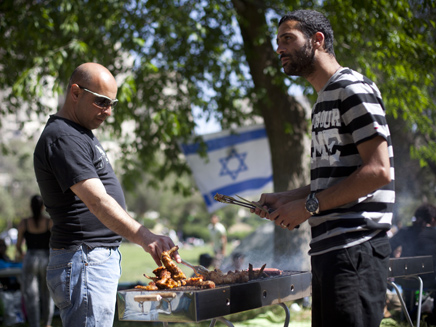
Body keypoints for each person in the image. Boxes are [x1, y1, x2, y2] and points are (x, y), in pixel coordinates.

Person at [252, 10, 395, 327]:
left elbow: (379, 171)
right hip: (331, 252)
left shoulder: (352, 89)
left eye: (288, 39)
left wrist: (306, 207)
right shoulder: (323, 100)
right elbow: (339, 176)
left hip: (356, 250)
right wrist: (287, 198)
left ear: (317, 40)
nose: (279, 49)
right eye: (278, 42)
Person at [33, 62, 180, 326]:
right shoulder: (63, 137)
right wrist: (146, 237)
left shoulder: (80, 134)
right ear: (75, 93)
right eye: (102, 102)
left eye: (112, 103)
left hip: (91, 259)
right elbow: (97, 201)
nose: (108, 111)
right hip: (84, 258)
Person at [16, 195, 54, 327]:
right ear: (43, 207)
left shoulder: (24, 222)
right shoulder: (49, 222)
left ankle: (35, 324)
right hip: (47, 258)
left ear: (30, 207)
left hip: (30, 258)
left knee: (31, 295)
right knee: (48, 293)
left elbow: (18, 246)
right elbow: (55, 242)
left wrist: (22, 254)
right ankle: (47, 323)